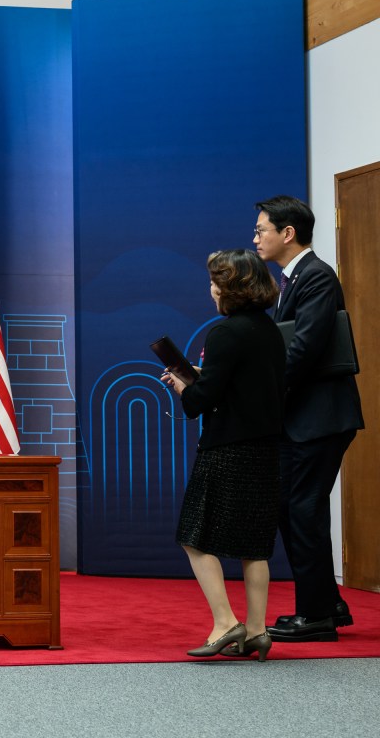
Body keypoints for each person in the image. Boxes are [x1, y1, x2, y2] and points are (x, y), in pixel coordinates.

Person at [162, 249, 285, 661]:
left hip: (226, 450)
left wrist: (182, 385)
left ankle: (224, 622)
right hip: (266, 449)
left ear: (231, 288)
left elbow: (201, 401)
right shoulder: (270, 331)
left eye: (216, 281)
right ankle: (256, 629)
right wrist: (200, 382)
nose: (210, 288)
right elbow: (239, 387)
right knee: (255, 547)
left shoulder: (224, 333)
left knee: (193, 537)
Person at [253, 195, 364, 642]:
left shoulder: (316, 276)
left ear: (288, 233)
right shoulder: (292, 279)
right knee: (292, 507)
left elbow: (306, 348)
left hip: (321, 419)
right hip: (302, 418)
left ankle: (315, 615)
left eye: (261, 230)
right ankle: (327, 604)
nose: (256, 238)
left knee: (303, 509)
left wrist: (259, 386)